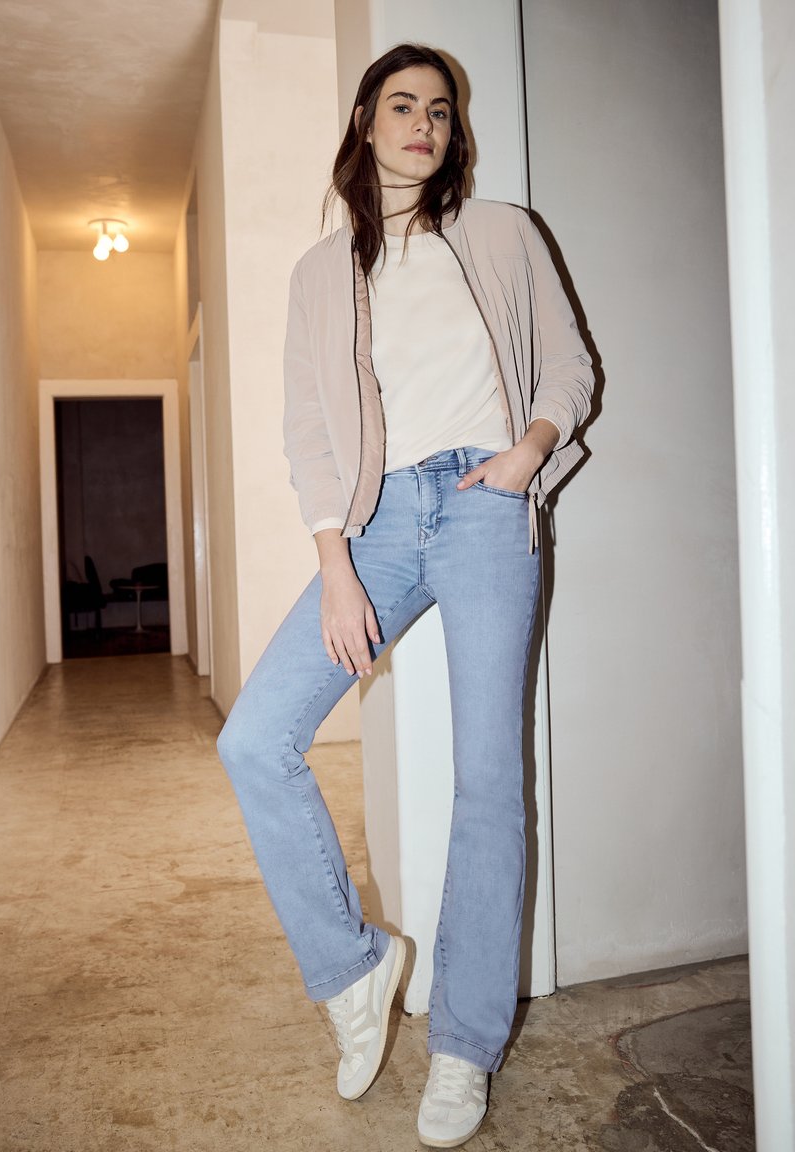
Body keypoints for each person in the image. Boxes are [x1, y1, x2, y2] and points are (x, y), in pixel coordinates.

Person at [217, 42, 593, 1149]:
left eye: (439, 109)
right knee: (255, 740)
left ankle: (465, 1047)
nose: (423, 123)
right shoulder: (317, 273)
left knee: (488, 779)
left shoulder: (504, 233)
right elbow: (307, 430)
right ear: (365, 122)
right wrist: (334, 562)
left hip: (484, 504)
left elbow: (569, 368)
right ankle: (354, 968)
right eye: (402, 105)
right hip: (376, 520)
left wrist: (526, 455)